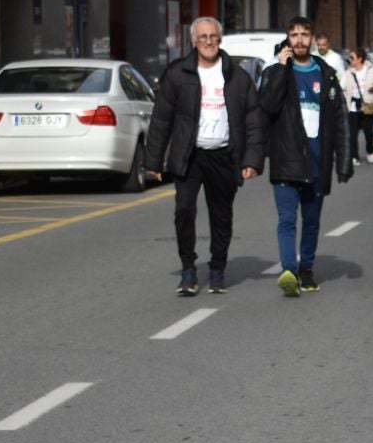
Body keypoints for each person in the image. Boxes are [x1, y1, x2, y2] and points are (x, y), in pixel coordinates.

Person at [144, 17, 264, 297]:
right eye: (203, 37)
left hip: (224, 155)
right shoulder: (177, 74)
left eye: (213, 36)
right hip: (190, 155)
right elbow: (161, 119)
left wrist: (252, 160)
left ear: (220, 40)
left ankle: (218, 270)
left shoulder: (237, 76)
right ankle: (188, 270)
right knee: (184, 210)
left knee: (221, 216)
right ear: (193, 42)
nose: (209, 41)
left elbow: (254, 121)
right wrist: (153, 161)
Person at [257, 18, 354, 295]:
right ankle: (289, 270)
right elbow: (268, 106)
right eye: (294, 34)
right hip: (285, 160)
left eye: (304, 34)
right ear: (287, 38)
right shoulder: (275, 72)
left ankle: (306, 268)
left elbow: (340, 122)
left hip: (317, 162)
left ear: (312, 38)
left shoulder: (326, 74)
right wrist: (280, 69)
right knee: (287, 219)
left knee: (311, 221)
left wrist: (344, 161)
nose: (299, 40)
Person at [345, 48, 373, 164]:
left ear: (360, 59)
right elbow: (341, 86)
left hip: (367, 106)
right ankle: (354, 156)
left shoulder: (371, 71)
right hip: (353, 107)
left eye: (352, 57)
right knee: (352, 134)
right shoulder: (348, 72)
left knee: (368, 132)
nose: (349, 60)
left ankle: (370, 150)